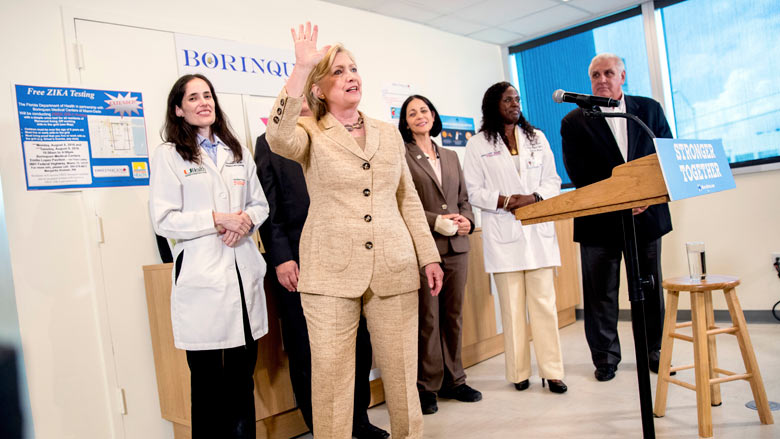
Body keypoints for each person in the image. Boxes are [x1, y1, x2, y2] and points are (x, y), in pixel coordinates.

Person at [265, 23, 443, 439]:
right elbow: (276, 135)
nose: (351, 76)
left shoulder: (386, 132)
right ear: (319, 89)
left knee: (401, 374)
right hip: (328, 272)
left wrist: (428, 254)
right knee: (331, 380)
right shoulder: (309, 132)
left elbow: (407, 199)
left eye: (354, 68)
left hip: (393, 265)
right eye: (339, 71)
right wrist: (301, 66)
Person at [254, 99, 389, 439]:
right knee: (308, 348)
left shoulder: (339, 136)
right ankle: (322, 426)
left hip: (349, 259)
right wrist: (282, 257)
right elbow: (269, 207)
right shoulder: (269, 142)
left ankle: (358, 418)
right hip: (298, 262)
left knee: (359, 343)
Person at [149, 73, 269, 439]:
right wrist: (216, 220)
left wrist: (245, 220)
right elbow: (164, 218)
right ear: (178, 109)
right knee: (206, 384)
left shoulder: (238, 152)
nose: (204, 102)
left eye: (208, 95)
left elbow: (259, 203)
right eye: (193, 98)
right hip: (202, 277)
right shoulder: (170, 155)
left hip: (241, 271)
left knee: (240, 380)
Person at [560, 53, 673, 382]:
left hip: (647, 217)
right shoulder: (574, 121)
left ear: (622, 76)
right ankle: (606, 358)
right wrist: (620, 200)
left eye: (608, 72)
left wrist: (644, 196)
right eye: (595, 74)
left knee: (650, 288)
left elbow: (665, 155)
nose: (601, 79)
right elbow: (580, 173)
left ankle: (654, 350)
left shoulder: (648, 110)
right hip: (599, 221)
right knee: (601, 293)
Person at [463, 81, 567, 394]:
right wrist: (506, 200)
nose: (514, 104)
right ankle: (519, 372)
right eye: (508, 99)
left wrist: (534, 196)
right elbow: (473, 191)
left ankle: (553, 372)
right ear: (493, 104)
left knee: (544, 306)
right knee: (510, 308)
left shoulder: (537, 138)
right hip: (503, 233)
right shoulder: (478, 144)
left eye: (517, 99)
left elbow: (553, 181)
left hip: (537, 233)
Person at [399, 95, 482, 415]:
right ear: (405, 122)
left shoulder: (450, 155)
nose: (420, 116)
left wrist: (467, 221)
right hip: (425, 248)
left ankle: (455, 380)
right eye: (412, 113)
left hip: (457, 248)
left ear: (433, 116)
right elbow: (404, 201)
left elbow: (463, 198)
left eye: (424, 110)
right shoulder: (403, 155)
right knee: (428, 319)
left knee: (453, 316)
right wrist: (437, 221)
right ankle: (427, 385)